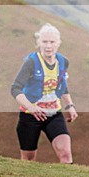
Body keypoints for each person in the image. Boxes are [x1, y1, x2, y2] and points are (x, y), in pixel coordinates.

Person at [10, 23, 77, 163]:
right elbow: (15, 88)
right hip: (30, 116)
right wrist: (31, 107)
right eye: (44, 42)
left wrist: (70, 105)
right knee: (28, 160)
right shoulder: (31, 62)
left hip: (54, 114)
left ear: (58, 43)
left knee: (65, 154)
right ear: (38, 43)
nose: (48, 46)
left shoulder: (63, 61)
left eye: (52, 42)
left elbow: (62, 85)